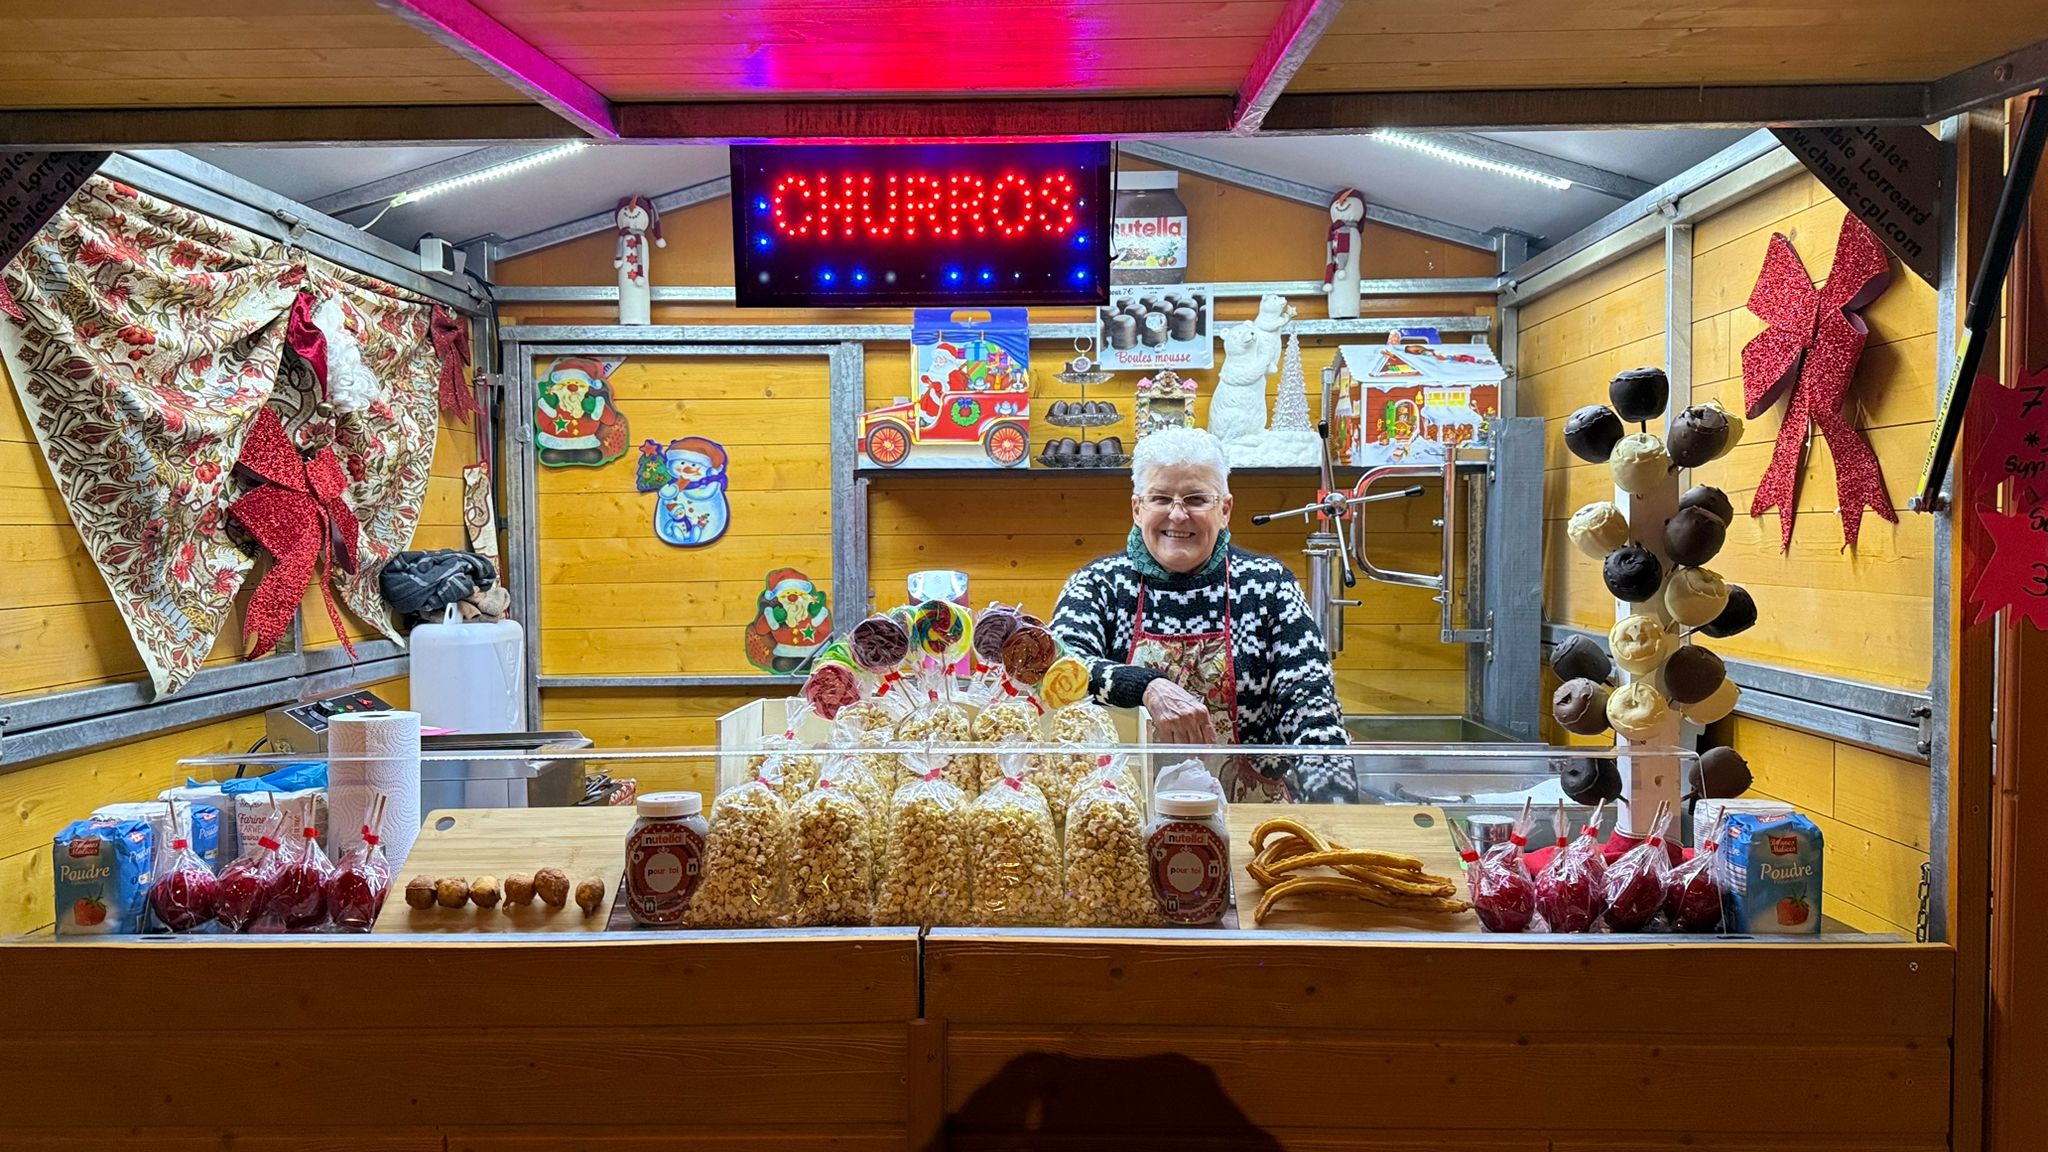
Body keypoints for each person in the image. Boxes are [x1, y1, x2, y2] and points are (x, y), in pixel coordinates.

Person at [1051, 426, 1354, 802]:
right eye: (1161, 498)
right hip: (1125, 817)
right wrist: (1146, 687)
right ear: (1137, 509)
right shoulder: (1099, 584)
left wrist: (1335, 807)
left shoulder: (1268, 585)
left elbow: (1311, 707)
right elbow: (1060, 666)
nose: (1178, 515)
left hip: (1251, 821)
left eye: (1196, 499)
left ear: (1225, 509)